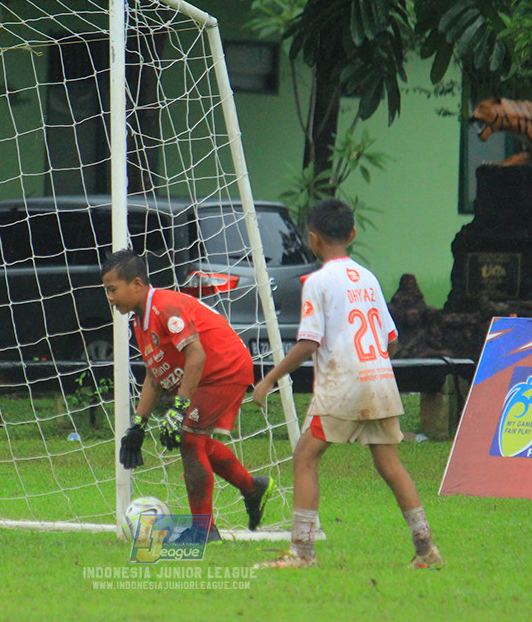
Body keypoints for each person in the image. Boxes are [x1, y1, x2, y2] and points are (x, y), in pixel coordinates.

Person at [251, 198, 441, 569]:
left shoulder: (318, 282)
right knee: (390, 464)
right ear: (352, 234)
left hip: (343, 383)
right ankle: (426, 548)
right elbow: (391, 340)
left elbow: (308, 343)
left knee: (305, 457)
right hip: (379, 380)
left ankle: (302, 553)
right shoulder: (368, 278)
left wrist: (270, 378)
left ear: (312, 239)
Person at [103, 249, 274, 542]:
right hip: (206, 376)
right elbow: (154, 377)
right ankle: (252, 488)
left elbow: (196, 355)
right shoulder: (140, 321)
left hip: (224, 369)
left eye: (112, 289)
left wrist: (179, 407)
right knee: (196, 441)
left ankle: (203, 532)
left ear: (137, 284)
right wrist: (138, 426)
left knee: (189, 438)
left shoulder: (164, 307)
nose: (110, 297)